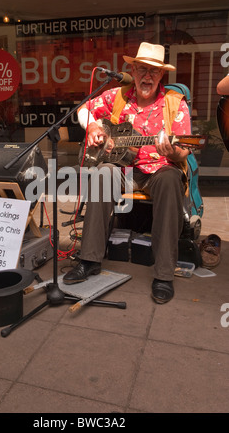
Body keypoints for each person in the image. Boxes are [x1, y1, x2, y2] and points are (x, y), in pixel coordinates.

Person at [63, 42, 191, 304]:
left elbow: (185, 150)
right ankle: (89, 260)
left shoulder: (174, 103)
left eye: (154, 71)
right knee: (102, 174)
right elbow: (83, 109)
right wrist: (92, 130)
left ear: (161, 75)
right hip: (124, 169)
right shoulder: (117, 96)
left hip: (158, 170)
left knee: (169, 179)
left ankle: (164, 274)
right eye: (142, 69)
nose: (147, 76)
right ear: (132, 70)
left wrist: (172, 152)